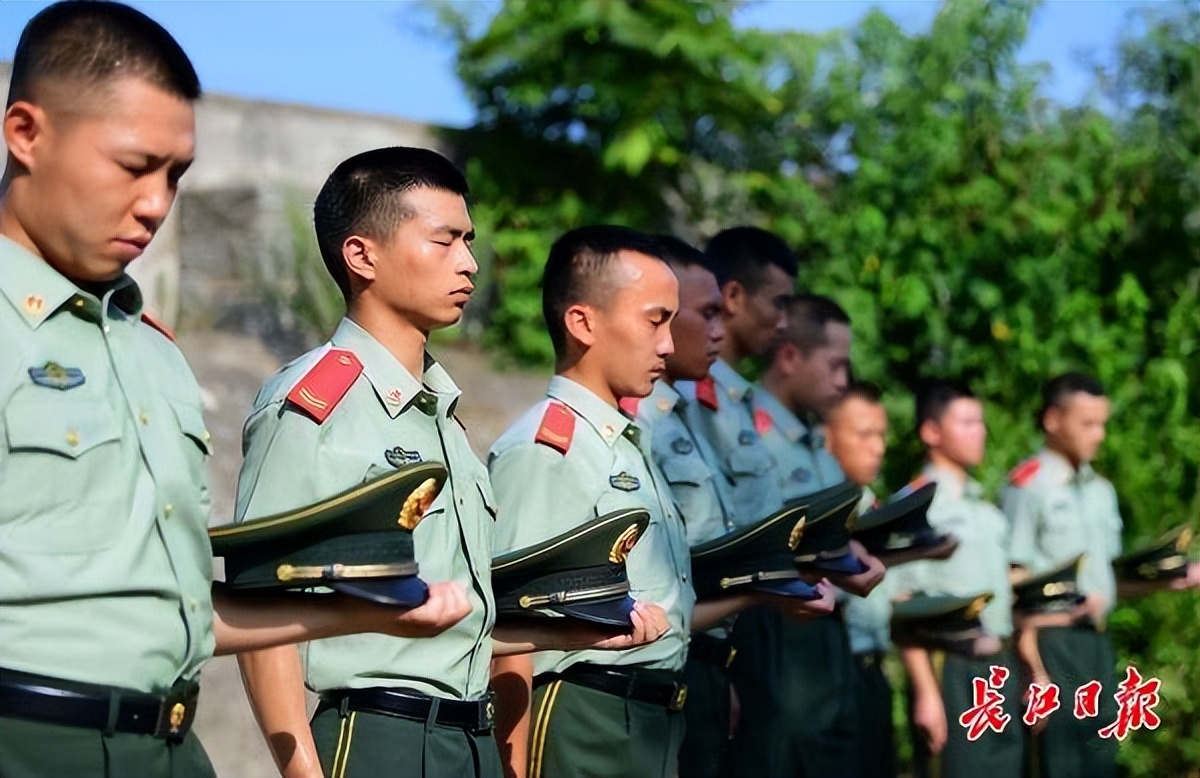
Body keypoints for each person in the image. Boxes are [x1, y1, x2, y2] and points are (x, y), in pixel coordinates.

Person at [0, 6, 467, 777]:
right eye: (133, 165)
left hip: (173, 749)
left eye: (176, 174)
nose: (157, 202)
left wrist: (360, 613)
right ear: (26, 133)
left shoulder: (152, 354)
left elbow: (175, 605)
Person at [233, 153, 666, 778]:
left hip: (471, 739)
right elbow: (264, 610)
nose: (469, 263)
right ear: (362, 256)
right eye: (444, 241)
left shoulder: (443, 417)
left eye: (468, 240)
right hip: (381, 739)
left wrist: (572, 636)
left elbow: (464, 620)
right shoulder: (315, 404)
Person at [488, 226, 767, 778]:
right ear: (583, 322)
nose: (667, 343)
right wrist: (512, 767)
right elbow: (509, 632)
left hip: (652, 715)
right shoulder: (547, 449)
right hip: (583, 718)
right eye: (654, 319)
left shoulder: (623, 440)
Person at [629, 236, 835, 778]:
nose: (715, 328)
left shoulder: (696, 401)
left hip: (721, 640)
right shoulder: (640, 418)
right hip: (676, 648)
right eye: (706, 312)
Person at [1000, 372, 1199, 778]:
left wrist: (1165, 579)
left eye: (1102, 423)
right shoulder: (1029, 486)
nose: (1099, 435)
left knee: (1098, 761)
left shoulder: (1100, 491)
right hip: (1051, 645)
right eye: (1087, 424)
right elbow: (1012, 581)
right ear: (1053, 421)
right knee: (1059, 763)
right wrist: (1030, 665)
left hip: (1095, 643)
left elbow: (1104, 583)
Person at [738, 294, 885, 778]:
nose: (843, 382)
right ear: (789, 357)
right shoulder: (743, 430)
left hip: (828, 628)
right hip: (776, 627)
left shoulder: (815, 440)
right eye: (835, 366)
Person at [889, 381, 1023, 778]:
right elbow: (902, 602)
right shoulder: (916, 506)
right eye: (966, 422)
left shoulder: (985, 509)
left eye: (980, 421)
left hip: (998, 664)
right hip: (950, 668)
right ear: (931, 432)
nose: (979, 431)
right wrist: (928, 694)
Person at [825, 381, 898, 778]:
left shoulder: (867, 501)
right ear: (826, 436)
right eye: (864, 434)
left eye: (881, 435)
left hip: (873, 669)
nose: (879, 447)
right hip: (834, 671)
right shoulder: (819, 503)